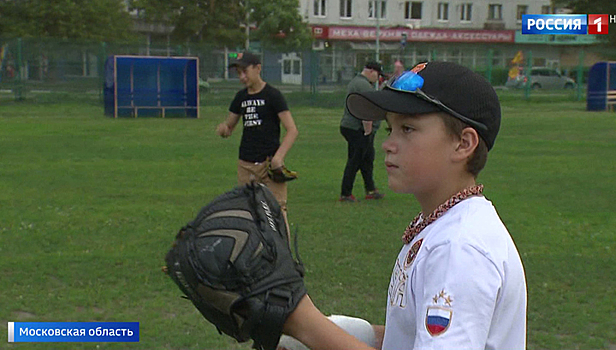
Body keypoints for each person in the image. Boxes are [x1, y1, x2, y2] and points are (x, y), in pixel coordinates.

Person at [279, 61, 527, 350]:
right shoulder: (443, 226)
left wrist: (306, 325)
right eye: (389, 129)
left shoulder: (459, 248)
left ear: (463, 143)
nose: (388, 144)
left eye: (407, 129)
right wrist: (347, 334)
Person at [216, 52, 299, 215]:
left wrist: (278, 158)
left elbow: (292, 130)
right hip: (246, 165)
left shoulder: (273, 95)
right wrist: (223, 129)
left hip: (269, 165)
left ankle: (281, 241)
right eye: (239, 73)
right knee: (248, 212)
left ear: (258, 68)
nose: (242, 77)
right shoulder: (241, 97)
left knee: (277, 211)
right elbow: (229, 126)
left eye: (245, 71)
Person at [339, 61, 386, 202]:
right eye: (378, 75)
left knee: (367, 159)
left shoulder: (357, 82)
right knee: (356, 160)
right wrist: (368, 131)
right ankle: (345, 193)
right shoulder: (364, 85)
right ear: (371, 71)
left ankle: (371, 190)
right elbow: (366, 111)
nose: (378, 79)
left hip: (350, 127)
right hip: (357, 129)